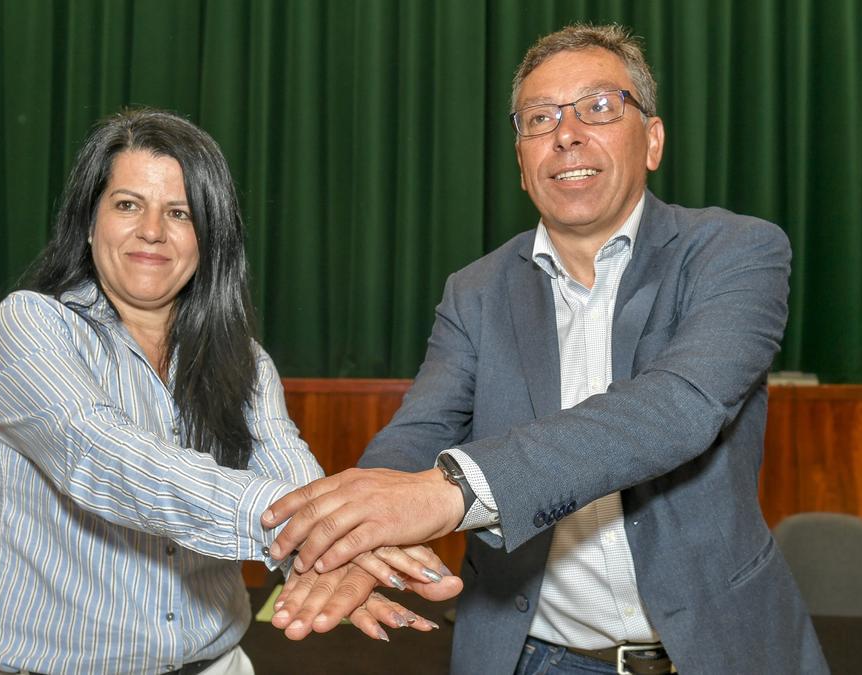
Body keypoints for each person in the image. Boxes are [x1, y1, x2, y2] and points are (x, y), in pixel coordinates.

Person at [264, 24, 829, 674]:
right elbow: (418, 433)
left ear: (652, 139)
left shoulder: (736, 252)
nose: (566, 133)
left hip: (719, 651)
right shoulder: (475, 292)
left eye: (598, 107)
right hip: (536, 657)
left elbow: (678, 407)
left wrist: (454, 492)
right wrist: (360, 536)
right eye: (540, 117)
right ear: (521, 162)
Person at [0, 108, 458, 675]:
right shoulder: (28, 326)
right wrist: (315, 531)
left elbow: (287, 466)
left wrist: (344, 546)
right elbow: (109, 460)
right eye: (128, 204)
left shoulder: (241, 357)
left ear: (209, 238)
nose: (152, 230)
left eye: (180, 213)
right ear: (88, 220)